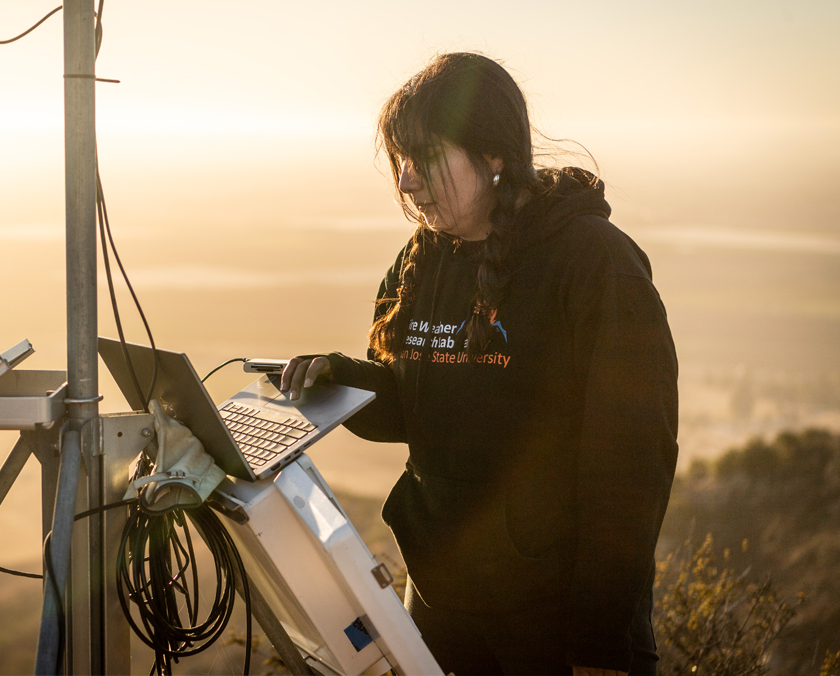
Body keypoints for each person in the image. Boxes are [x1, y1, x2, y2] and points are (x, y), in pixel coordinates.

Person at [281, 53, 678, 676]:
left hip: (559, 626)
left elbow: (631, 467)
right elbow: (420, 407)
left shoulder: (594, 263)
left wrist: (600, 646)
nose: (406, 183)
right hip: (442, 603)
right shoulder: (425, 259)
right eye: (400, 164)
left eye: (424, 161)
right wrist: (340, 378)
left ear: (493, 156)